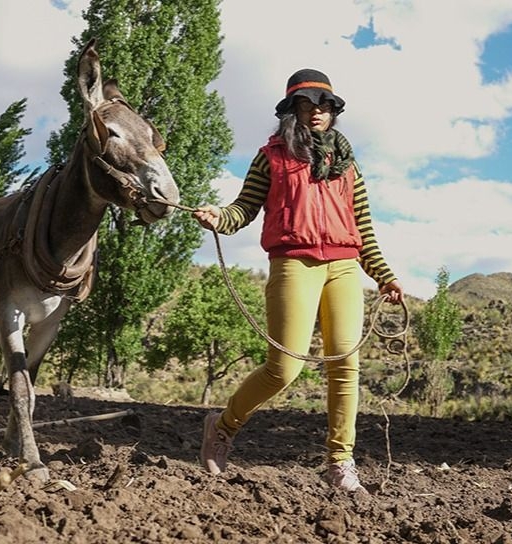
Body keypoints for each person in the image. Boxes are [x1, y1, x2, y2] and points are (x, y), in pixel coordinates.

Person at [194, 68, 404, 493]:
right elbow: (243, 209)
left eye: (325, 105)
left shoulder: (348, 166)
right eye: (307, 104)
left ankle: (339, 462)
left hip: (344, 266)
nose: (318, 112)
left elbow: (362, 227)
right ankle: (223, 425)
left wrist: (384, 276)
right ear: (293, 110)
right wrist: (219, 217)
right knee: (283, 368)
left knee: (346, 363)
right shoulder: (270, 157)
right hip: (294, 262)